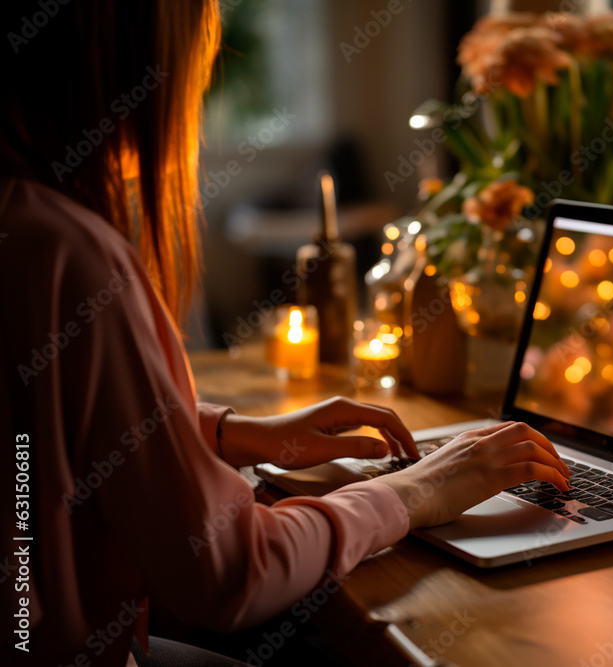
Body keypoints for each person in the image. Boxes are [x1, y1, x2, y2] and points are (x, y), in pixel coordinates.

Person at [0, 2, 570, 666]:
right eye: (195, 63)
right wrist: (415, 491)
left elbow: (36, 424)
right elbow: (225, 574)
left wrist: (214, 432)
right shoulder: (65, 250)